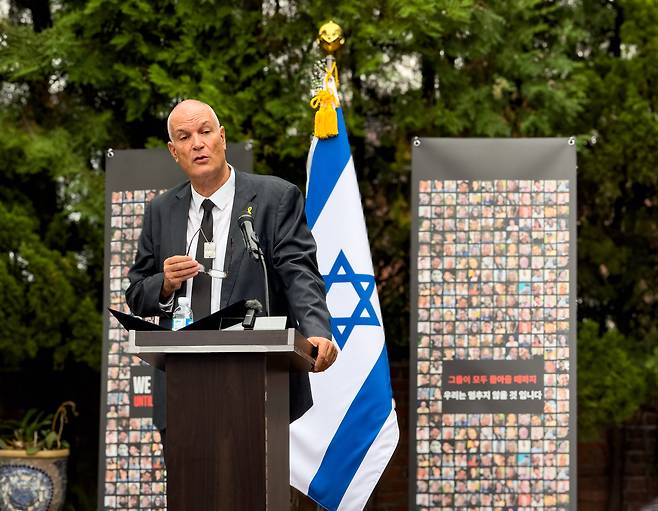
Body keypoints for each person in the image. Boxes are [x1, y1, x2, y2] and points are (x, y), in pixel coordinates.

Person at [126, 99, 337, 445]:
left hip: (255, 381)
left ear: (222, 137)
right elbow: (136, 294)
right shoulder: (161, 211)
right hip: (183, 384)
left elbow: (299, 273)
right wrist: (163, 284)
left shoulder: (275, 198)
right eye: (184, 136)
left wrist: (316, 330)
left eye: (205, 132)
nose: (197, 143)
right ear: (173, 151)